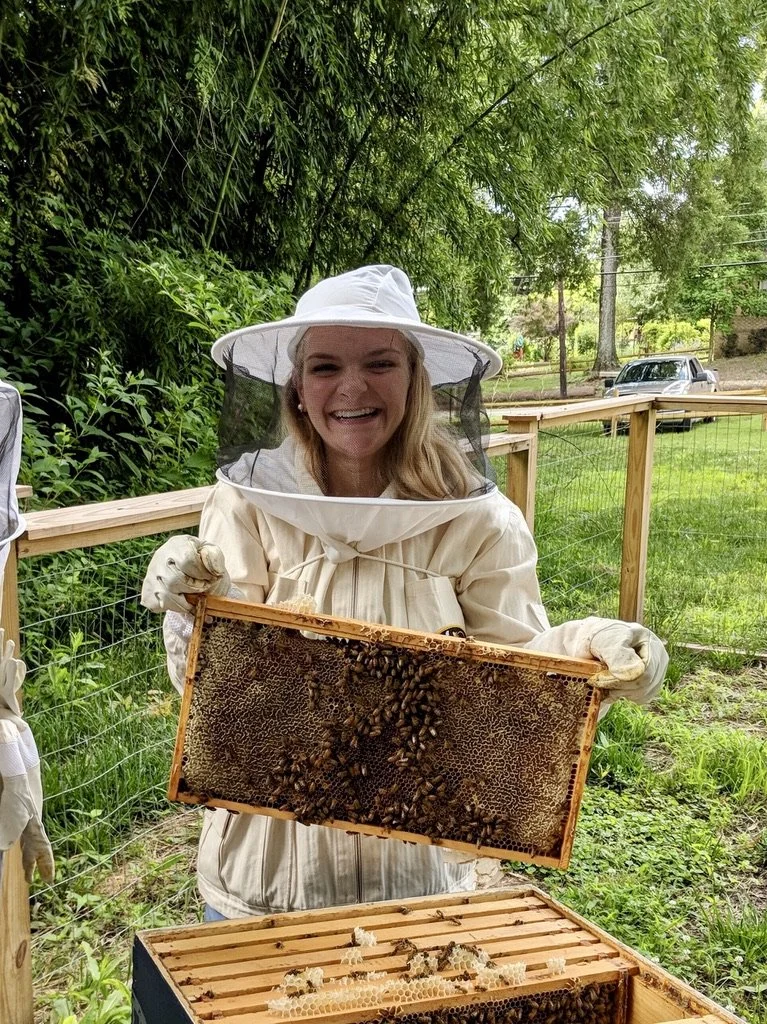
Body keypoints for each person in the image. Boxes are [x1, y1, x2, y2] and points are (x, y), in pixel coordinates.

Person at [142, 265, 667, 921]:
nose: (352, 387)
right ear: (297, 388)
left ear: (415, 380)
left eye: (380, 363)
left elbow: (513, 681)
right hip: (263, 880)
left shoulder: (478, 519)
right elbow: (216, 697)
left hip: (417, 885)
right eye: (325, 366)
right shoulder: (246, 504)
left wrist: (590, 645)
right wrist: (192, 606)